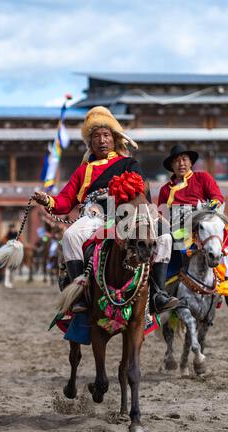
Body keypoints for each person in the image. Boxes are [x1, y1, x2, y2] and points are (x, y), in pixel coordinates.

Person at [33, 106, 178, 314]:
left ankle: (157, 294)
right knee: (71, 236)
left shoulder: (129, 162)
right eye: (97, 136)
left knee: (165, 237)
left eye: (106, 135)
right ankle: (79, 294)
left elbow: (140, 189)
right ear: (90, 142)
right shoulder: (84, 170)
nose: (102, 140)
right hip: (95, 215)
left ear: (114, 139)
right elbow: (65, 200)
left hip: (127, 213)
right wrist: (47, 199)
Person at [158, 143, 228, 309]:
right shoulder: (165, 190)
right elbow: (163, 214)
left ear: (191, 162)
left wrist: (212, 204)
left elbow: (217, 196)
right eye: (177, 161)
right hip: (179, 227)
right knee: (163, 247)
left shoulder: (202, 178)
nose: (181, 163)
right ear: (171, 166)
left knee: (220, 242)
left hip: (203, 220)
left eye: (184, 159)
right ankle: (160, 291)